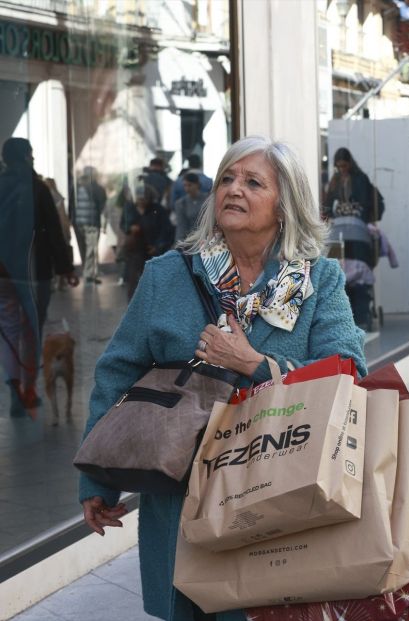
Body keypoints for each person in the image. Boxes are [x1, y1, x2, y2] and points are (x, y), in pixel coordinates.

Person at [78, 136, 366, 621]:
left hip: (279, 496)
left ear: (284, 204)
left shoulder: (319, 281)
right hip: (181, 497)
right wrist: (96, 481)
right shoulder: (167, 275)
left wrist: (252, 363)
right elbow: (118, 371)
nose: (234, 190)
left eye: (253, 182)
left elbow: (349, 375)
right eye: (227, 178)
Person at [0, 138, 78, 417]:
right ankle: (29, 389)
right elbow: (54, 232)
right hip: (34, 274)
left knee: (9, 331)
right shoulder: (38, 189)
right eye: (31, 155)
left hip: (3, 275)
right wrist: (66, 268)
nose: (33, 160)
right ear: (25, 157)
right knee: (31, 332)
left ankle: (14, 391)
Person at [323, 148, 385, 329]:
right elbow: (327, 207)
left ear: (350, 164)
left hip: (356, 234)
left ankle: (360, 317)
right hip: (340, 234)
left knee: (357, 275)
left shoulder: (360, 179)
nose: (341, 169)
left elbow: (372, 203)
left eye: (344, 165)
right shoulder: (334, 183)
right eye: (338, 166)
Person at [123, 184, 175, 302]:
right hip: (135, 252)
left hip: (152, 251)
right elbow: (124, 224)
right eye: (139, 199)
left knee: (153, 281)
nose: (141, 202)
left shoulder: (158, 210)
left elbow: (166, 230)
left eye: (144, 199)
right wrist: (131, 228)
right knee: (134, 280)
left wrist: (157, 246)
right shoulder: (130, 208)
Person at [73, 166, 106, 284]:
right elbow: (101, 206)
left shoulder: (77, 187)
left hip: (79, 222)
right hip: (91, 222)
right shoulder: (96, 188)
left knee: (87, 248)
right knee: (91, 248)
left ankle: (90, 272)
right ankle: (89, 273)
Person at [174, 172, 209, 241]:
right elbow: (181, 226)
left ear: (197, 184)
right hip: (191, 240)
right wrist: (179, 243)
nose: (187, 189)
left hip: (208, 238)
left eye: (189, 185)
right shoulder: (181, 203)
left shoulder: (208, 199)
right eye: (185, 185)